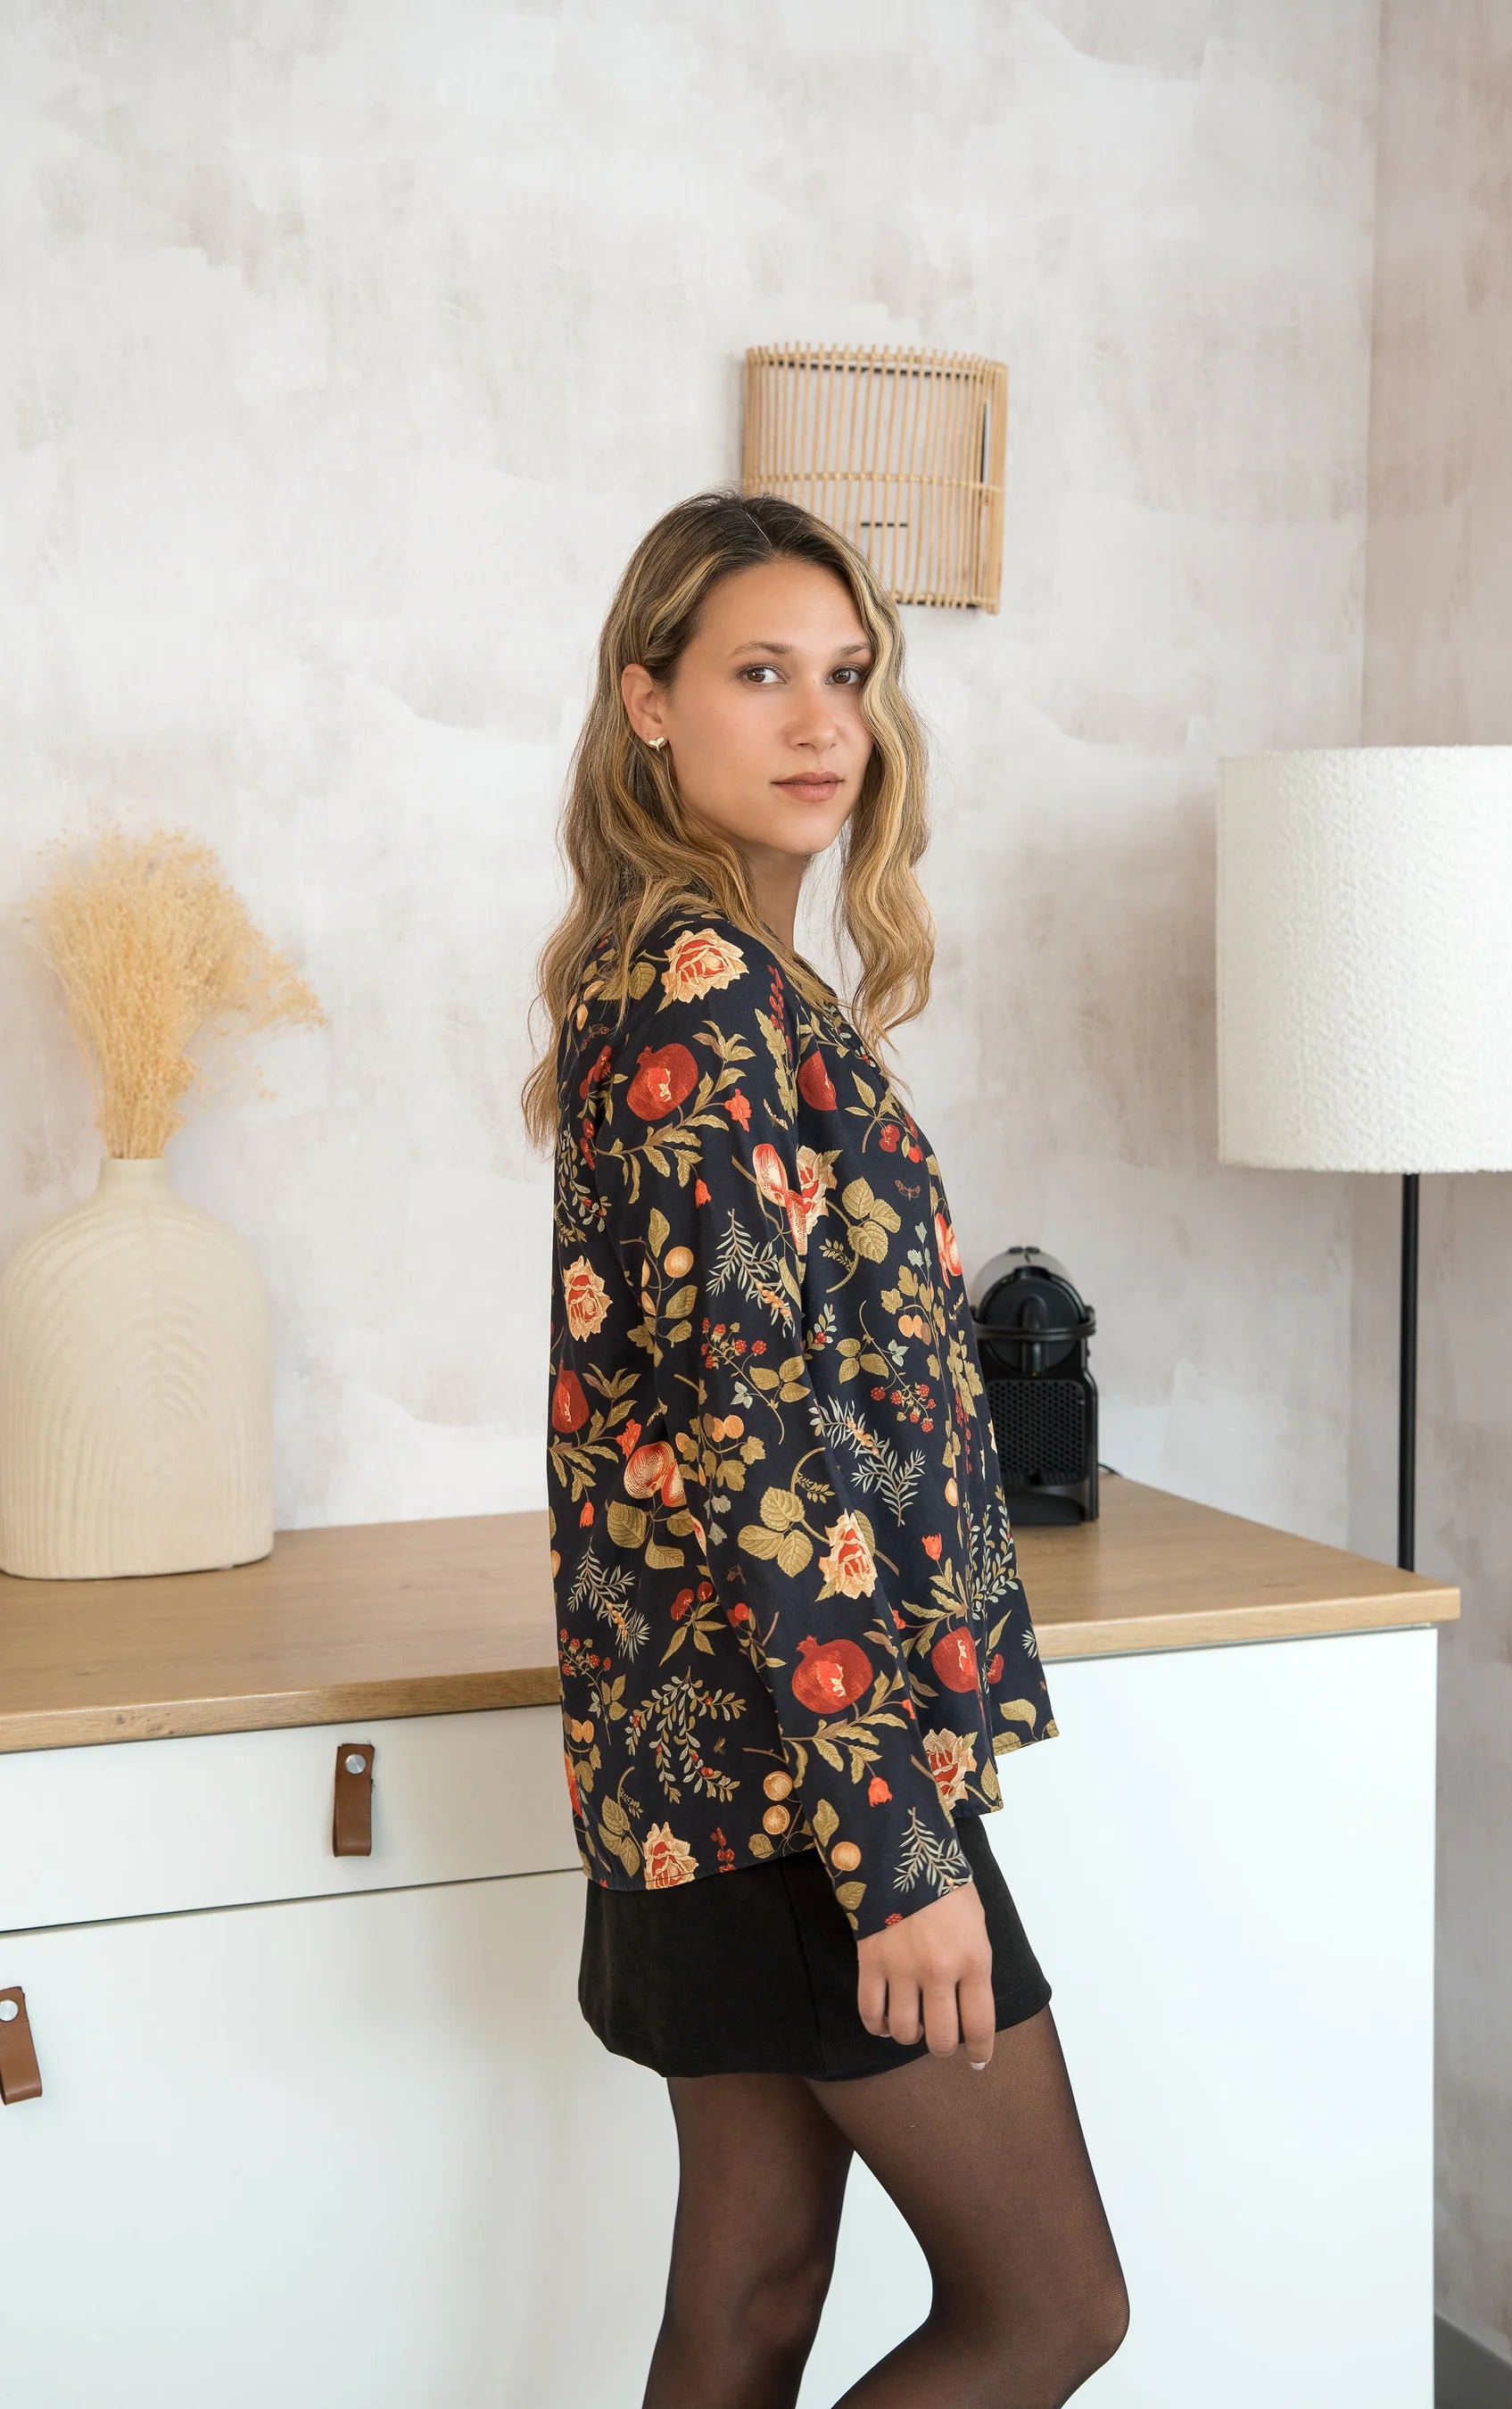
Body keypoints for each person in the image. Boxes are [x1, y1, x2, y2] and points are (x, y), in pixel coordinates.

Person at [525, 488, 1128, 2408]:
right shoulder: (706, 997)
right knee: (1051, 2310)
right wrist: (896, 1853)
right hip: (805, 1787)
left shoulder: (712, 989)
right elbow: (760, 1458)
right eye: (758, 673)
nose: (819, 724)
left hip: (720, 1769)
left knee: (753, 2294)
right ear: (648, 705)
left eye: (847, 676)